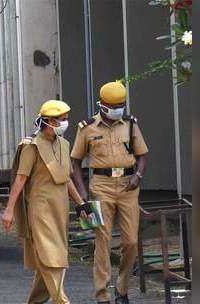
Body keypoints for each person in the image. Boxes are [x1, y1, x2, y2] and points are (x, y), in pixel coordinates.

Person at [70, 81, 148, 304]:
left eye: (121, 104)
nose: (118, 108)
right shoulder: (87, 128)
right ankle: (102, 294)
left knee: (131, 241)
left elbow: (142, 155)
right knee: (102, 241)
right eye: (114, 105)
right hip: (101, 186)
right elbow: (75, 161)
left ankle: (122, 288)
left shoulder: (131, 124)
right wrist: (82, 192)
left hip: (128, 186)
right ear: (102, 105)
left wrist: (138, 176)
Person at [1, 100, 86, 304]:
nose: (65, 123)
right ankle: (61, 300)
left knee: (54, 256)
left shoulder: (64, 145)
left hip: (60, 208)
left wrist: (81, 203)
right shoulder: (31, 146)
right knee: (51, 256)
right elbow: (20, 180)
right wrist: (9, 210)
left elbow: (66, 179)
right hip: (40, 208)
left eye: (66, 119)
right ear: (47, 121)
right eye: (61, 120)